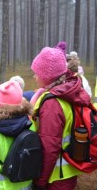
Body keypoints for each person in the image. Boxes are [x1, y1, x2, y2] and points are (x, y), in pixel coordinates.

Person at [29, 46, 91, 189]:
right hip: (65, 172)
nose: (34, 76)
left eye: (36, 73)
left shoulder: (52, 104)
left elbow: (50, 148)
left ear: (46, 76)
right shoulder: (64, 92)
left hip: (55, 177)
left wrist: (40, 182)